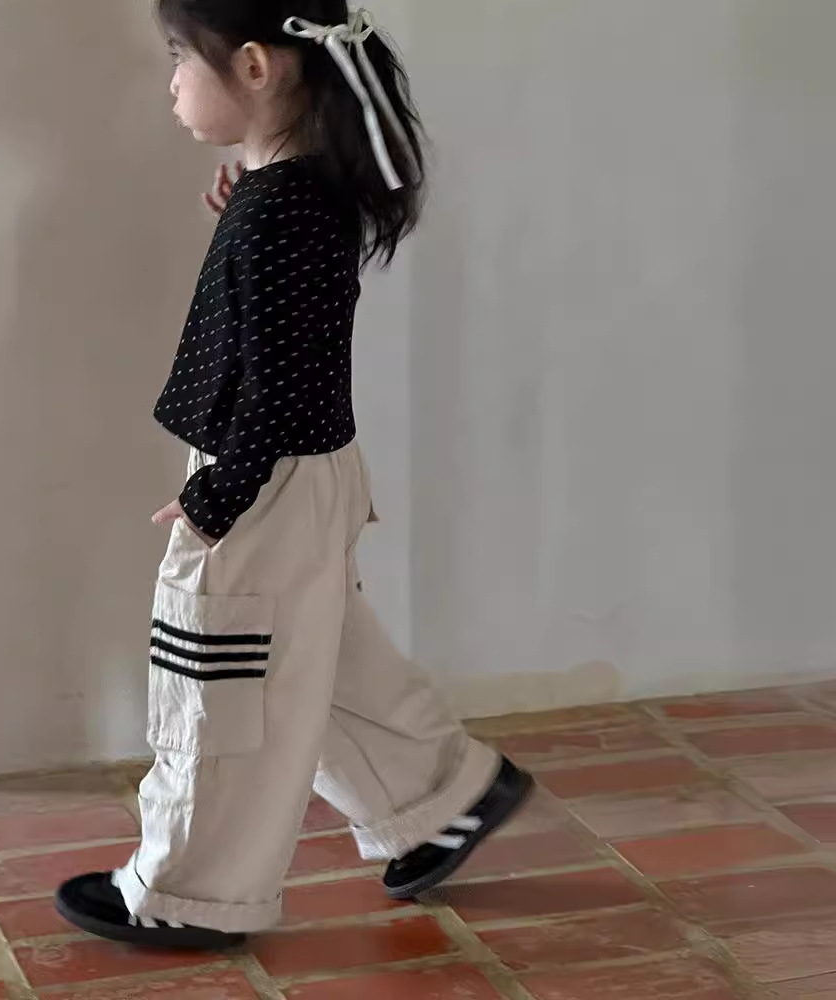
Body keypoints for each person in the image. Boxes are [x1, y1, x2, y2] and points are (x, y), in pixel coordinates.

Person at [55, 0, 533, 950]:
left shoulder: (284, 211)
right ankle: (441, 798)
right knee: (317, 657)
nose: (171, 85)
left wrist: (217, 496)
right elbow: (285, 339)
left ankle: (189, 891)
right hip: (302, 473)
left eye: (179, 59)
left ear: (255, 66)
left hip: (263, 474)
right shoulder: (292, 192)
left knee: (221, 683)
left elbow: (284, 384)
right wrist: (247, 211)